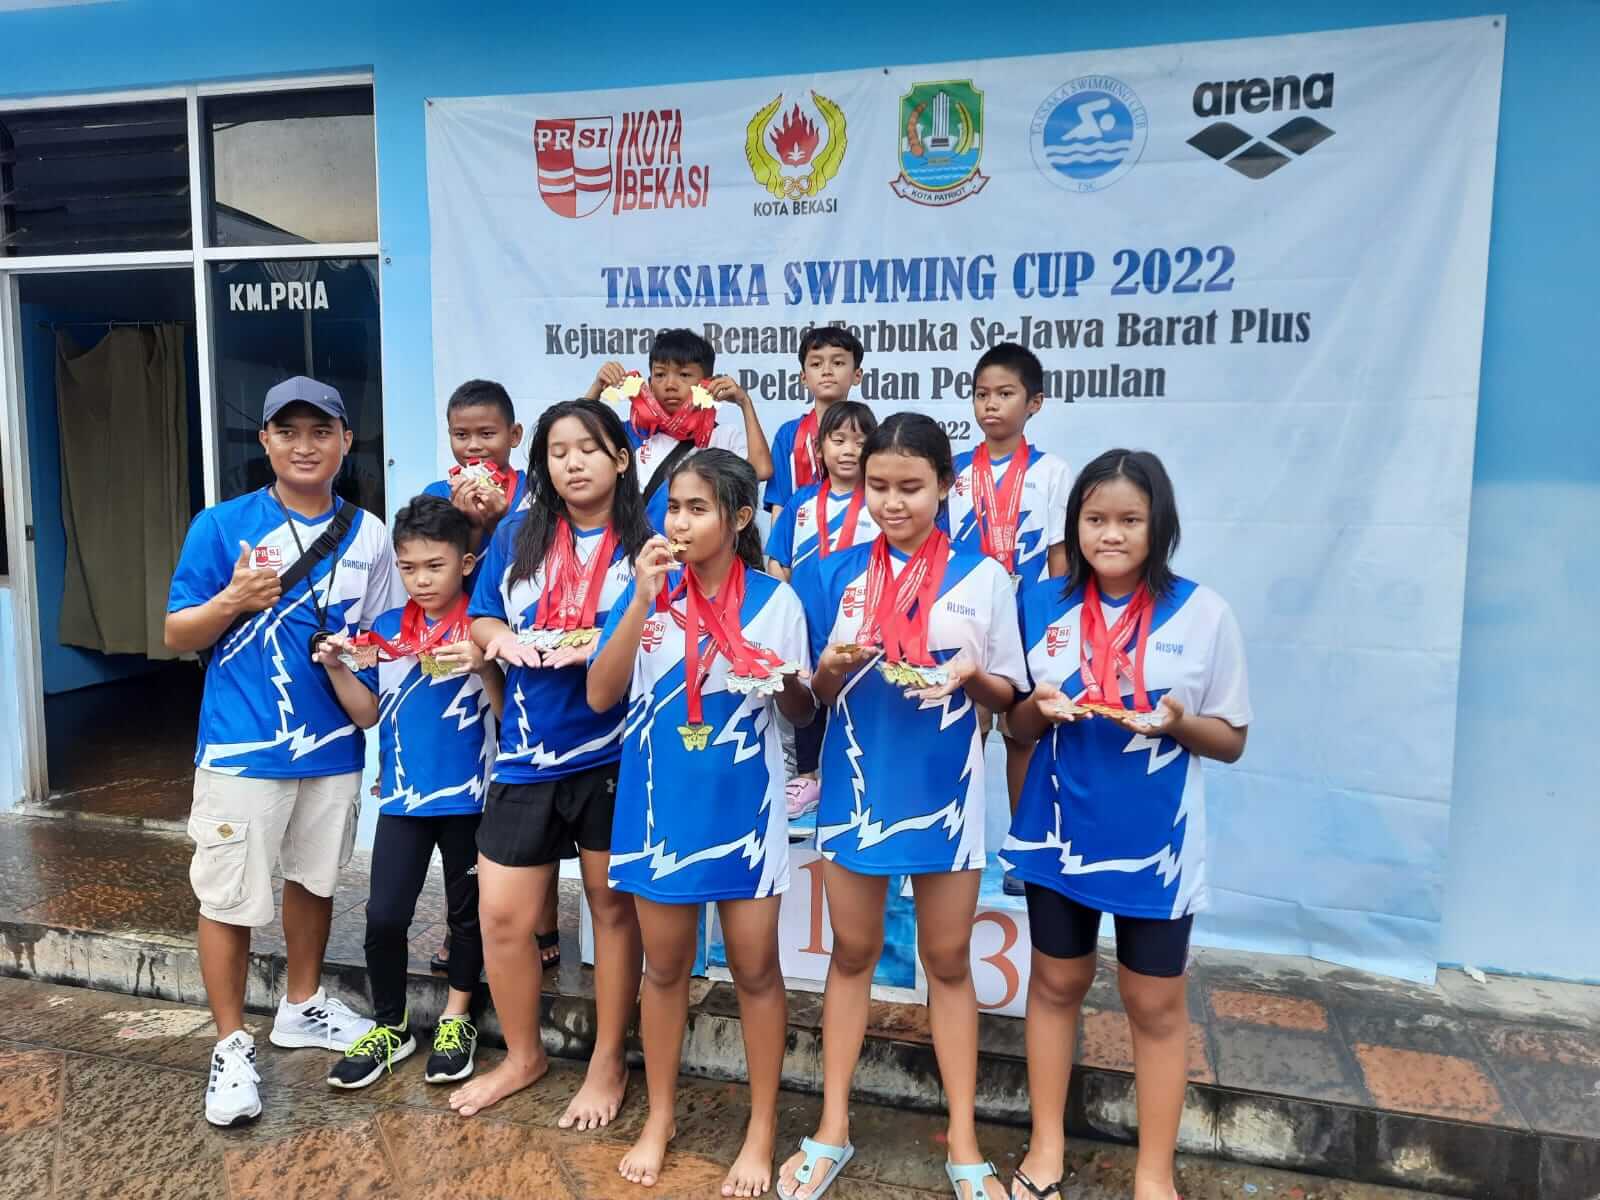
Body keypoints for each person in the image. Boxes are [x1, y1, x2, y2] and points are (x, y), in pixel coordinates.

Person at [782, 413, 1026, 1200]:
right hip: (857, 789)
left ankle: (964, 1141)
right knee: (852, 956)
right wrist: (826, 668)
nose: (892, 503)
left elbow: (1009, 696)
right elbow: (805, 701)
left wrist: (972, 675)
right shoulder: (831, 574)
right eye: (879, 486)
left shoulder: (984, 578)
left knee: (948, 962)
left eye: (911, 487)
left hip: (945, 792)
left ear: (945, 486)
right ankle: (832, 1126)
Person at [1002, 450, 1250, 1200]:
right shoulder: (1040, 602)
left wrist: (1179, 724)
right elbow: (1013, 728)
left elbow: (1232, 740)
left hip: (1155, 843)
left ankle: (1153, 1174)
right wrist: (1033, 709)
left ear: (1158, 525)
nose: (1110, 534)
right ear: (1074, 524)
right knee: (1056, 983)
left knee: (1154, 1004)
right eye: (1095, 519)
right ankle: (1046, 1148)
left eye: (1129, 520)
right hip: (1057, 828)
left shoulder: (1204, 613)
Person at [165, 376, 403, 1127]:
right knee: (228, 897)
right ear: (265, 441)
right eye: (288, 431)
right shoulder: (221, 526)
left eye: (321, 431)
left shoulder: (370, 535)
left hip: (331, 748)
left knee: (315, 880)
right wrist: (231, 600)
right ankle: (231, 1045)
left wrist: (357, 666)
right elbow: (176, 632)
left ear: (345, 441)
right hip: (242, 750)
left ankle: (302, 1006)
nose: (305, 446)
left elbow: (383, 638)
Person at [588, 449, 813, 1198]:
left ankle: (761, 1128)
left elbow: (802, 709)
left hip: (746, 808)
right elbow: (600, 694)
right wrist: (641, 601)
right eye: (673, 508)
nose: (678, 523)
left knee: (755, 968)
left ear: (739, 517)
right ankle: (659, 1118)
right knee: (663, 968)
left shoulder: (776, 601)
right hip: (660, 808)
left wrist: (782, 679)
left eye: (697, 509)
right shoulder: (645, 589)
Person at [448, 399, 651, 1131]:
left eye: (588, 449)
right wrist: (499, 639)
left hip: (615, 749)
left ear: (621, 459)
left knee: (611, 911)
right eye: (558, 452)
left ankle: (607, 1061)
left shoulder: (646, 540)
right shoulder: (518, 533)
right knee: (502, 915)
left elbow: (663, 628)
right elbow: (482, 613)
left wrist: (599, 642)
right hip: (527, 753)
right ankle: (524, 1055)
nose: (572, 463)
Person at [319, 495, 504, 1090]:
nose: (421, 580)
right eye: (408, 567)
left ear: (466, 563)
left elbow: (511, 714)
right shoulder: (386, 633)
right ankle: (390, 1025)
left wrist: (485, 665)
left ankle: (457, 1019)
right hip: (402, 799)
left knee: (466, 915)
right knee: (383, 916)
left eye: (435, 566)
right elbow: (367, 714)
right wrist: (337, 668)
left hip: (472, 799)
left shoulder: (484, 627)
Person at [421, 378, 557, 976]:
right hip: (458, 657)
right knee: (469, 801)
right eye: (461, 435)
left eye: (487, 433)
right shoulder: (437, 494)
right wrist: (466, 525)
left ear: (515, 435)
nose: (474, 447)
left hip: (526, 659)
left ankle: (544, 920)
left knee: (531, 794)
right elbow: (434, 567)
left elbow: (547, 568)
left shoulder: (536, 496)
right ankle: (465, 926)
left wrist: (502, 521)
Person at [945, 344, 1072, 896]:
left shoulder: (1052, 472)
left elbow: (1060, 556)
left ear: (1034, 403)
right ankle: (957, 841)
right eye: (981, 395)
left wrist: (1058, 623)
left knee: (1023, 738)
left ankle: (1022, 849)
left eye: (1005, 394)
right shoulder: (953, 472)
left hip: (1028, 618)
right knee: (965, 732)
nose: (991, 405)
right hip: (969, 618)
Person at [765, 400, 879, 825]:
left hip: (860, 622)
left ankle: (860, 782)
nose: (849, 450)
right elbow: (778, 561)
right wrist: (784, 610)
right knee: (806, 693)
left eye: (860, 441)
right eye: (838, 439)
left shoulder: (879, 502)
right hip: (807, 621)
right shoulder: (801, 503)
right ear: (819, 448)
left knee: (859, 697)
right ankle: (807, 777)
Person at [585, 327, 774, 532]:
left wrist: (744, 403)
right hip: (636, 550)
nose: (670, 385)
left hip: (696, 551)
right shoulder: (630, 434)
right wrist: (597, 387)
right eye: (660, 374)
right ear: (649, 383)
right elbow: (574, 437)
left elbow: (761, 470)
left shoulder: (722, 437)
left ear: (708, 383)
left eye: (684, 374)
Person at [763, 325, 866, 519]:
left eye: (838, 363)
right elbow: (780, 504)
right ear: (803, 377)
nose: (827, 371)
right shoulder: (788, 434)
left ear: (857, 375)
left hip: (856, 531)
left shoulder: (869, 433)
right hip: (799, 534)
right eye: (816, 364)